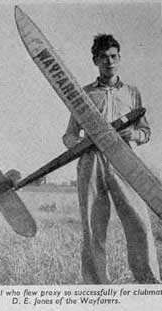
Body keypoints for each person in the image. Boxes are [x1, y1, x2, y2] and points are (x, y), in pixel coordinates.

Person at [63, 34, 161, 284]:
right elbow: (69, 134)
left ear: (120, 59)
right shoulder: (82, 94)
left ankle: (149, 285)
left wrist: (133, 134)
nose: (109, 62)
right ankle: (97, 289)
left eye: (114, 56)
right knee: (93, 229)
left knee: (139, 224)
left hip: (124, 161)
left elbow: (145, 132)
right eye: (104, 57)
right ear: (95, 60)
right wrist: (77, 144)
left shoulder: (132, 93)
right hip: (91, 162)